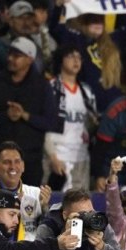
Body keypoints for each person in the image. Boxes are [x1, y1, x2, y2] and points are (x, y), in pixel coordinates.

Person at [0, 36, 58, 186]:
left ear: (30, 59)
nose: (11, 59)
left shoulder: (42, 86)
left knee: (29, 207)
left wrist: (25, 116)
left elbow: (50, 122)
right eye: (10, 54)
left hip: (30, 162)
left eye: (17, 56)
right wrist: (6, 116)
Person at [44, 44, 98, 192]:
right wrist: (52, 157)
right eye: (71, 56)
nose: (76, 61)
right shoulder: (51, 88)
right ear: (61, 60)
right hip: (56, 156)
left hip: (81, 157)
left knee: (81, 209)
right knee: (51, 205)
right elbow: (45, 124)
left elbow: (91, 124)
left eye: (79, 57)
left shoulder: (86, 91)